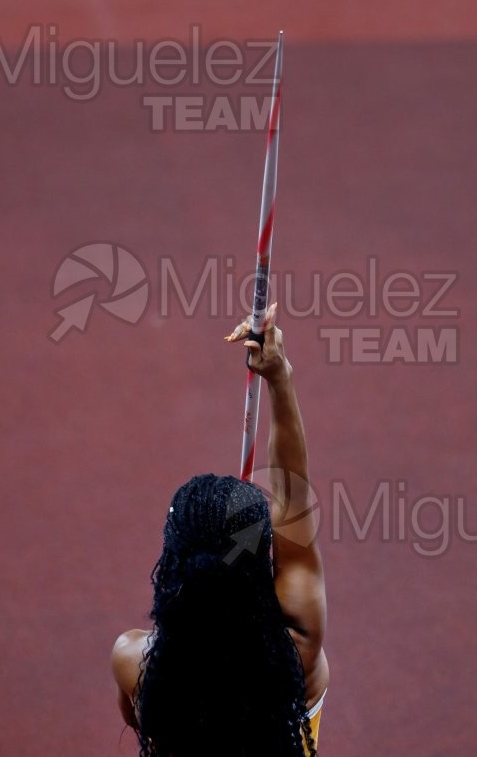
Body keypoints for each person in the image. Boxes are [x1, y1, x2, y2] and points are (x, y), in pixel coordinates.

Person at [111, 304, 328, 755]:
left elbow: (138, 719)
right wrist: (279, 376)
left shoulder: (135, 662)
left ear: (173, 567)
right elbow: (292, 499)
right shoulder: (297, 652)